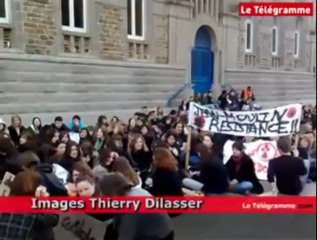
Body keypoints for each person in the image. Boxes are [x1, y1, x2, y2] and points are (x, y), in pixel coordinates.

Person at [99, 173, 174, 240]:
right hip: (158, 228)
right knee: (111, 229)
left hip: (160, 236)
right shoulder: (133, 191)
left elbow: (127, 235)